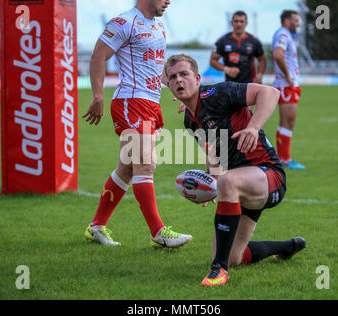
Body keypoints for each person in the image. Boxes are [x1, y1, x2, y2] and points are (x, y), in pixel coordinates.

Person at [165, 54, 306, 286]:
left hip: (268, 175)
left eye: (184, 74)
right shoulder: (190, 121)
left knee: (228, 183)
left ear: (197, 78)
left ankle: (218, 271)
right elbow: (213, 153)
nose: (179, 80)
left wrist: (253, 128)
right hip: (241, 184)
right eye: (173, 77)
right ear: (168, 84)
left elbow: (270, 93)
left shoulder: (217, 93)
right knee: (233, 256)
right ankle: (287, 247)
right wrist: (210, 182)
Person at [82, 0, 192, 249]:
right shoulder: (124, 22)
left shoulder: (159, 27)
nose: (168, 1)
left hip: (150, 104)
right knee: (146, 164)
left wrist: (179, 89)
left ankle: (97, 226)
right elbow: (99, 56)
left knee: (127, 168)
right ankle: (159, 232)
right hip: (131, 101)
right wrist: (98, 96)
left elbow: (155, 68)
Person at [272, 10, 305, 170]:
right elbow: (278, 55)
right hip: (286, 85)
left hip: (288, 85)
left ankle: (282, 157)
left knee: (286, 122)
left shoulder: (285, 35)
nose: (298, 23)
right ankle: (284, 159)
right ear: (287, 21)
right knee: (288, 122)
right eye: (296, 20)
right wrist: (288, 75)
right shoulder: (283, 35)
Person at [210, 11, 267, 84]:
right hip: (230, 84)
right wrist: (227, 70)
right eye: (236, 21)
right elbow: (213, 60)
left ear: (246, 23)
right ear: (232, 23)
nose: (239, 24)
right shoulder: (222, 41)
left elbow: (262, 60)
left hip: (249, 83)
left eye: (241, 21)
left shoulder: (254, 40)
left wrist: (260, 75)